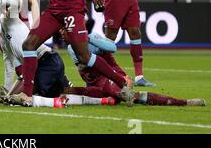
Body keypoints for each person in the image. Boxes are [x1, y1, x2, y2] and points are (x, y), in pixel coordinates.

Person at [0, 0, 115, 108]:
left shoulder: (7, 19)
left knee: (28, 99)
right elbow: (12, 68)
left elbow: (19, 3)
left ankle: (56, 102)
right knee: (64, 93)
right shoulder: (3, 41)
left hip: (47, 62)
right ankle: (103, 100)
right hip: (37, 68)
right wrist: (7, 94)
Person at [66, 32, 206, 107]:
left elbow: (113, 48)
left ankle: (184, 102)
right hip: (98, 85)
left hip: (113, 76)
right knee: (69, 91)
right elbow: (88, 74)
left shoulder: (92, 37)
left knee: (131, 96)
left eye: (63, 29)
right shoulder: (70, 49)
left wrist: (92, 40)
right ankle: (110, 98)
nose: (61, 33)